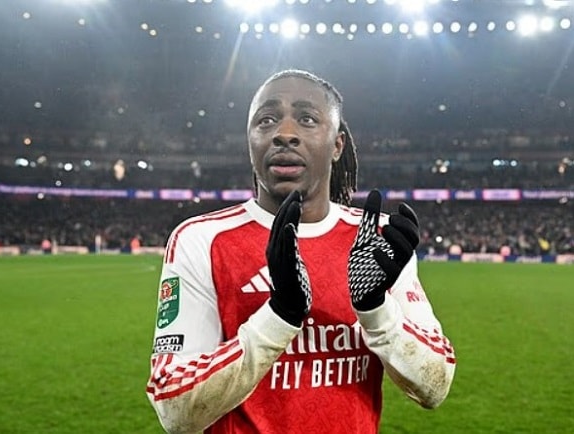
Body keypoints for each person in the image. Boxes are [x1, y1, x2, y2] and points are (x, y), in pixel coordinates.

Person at [146, 69, 456, 434]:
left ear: (337, 145)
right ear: (250, 140)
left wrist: (376, 309)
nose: (284, 133)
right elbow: (175, 408)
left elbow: (435, 385)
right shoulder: (203, 239)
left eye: (307, 119)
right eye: (266, 120)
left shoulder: (377, 240)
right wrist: (281, 314)